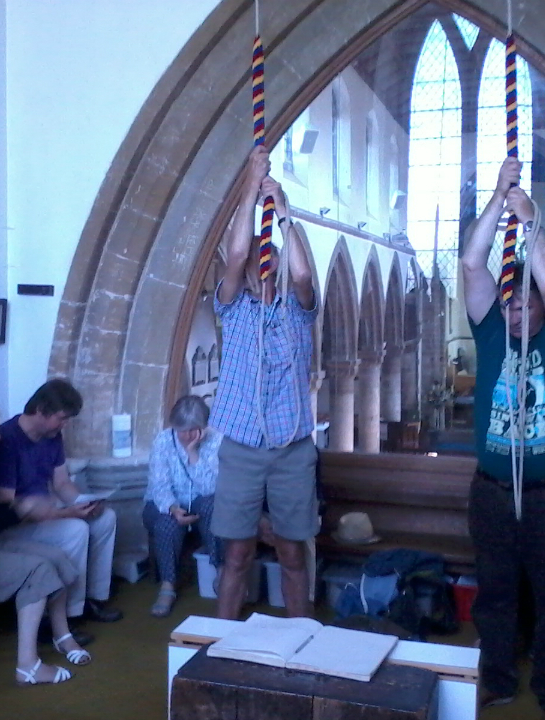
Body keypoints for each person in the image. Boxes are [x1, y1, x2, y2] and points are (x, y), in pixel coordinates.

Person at [460, 157, 545, 720]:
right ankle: (500, 680)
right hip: (491, 490)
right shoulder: (490, 334)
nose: (514, 310)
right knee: (496, 594)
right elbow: (470, 261)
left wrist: (530, 221)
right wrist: (497, 197)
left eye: (523, 301)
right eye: (510, 302)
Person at [210, 144, 319, 620]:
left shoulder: (297, 313)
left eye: (269, 254)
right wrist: (251, 186)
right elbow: (234, 253)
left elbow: (303, 274)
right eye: (260, 257)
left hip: (292, 449)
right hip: (242, 448)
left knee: (293, 554)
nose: (264, 262)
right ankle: (221, 640)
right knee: (237, 554)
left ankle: (301, 634)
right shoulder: (234, 308)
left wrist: (285, 213)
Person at [0, 403, 91, 685]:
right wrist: (21, 509)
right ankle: (27, 665)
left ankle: (62, 635)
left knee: (58, 558)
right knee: (39, 569)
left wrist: (23, 508)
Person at [0, 378, 122, 625]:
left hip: (47, 512)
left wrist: (84, 502)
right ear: (40, 411)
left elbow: (61, 483)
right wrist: (67, 513)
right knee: (75, 530)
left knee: (104, 518)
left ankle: (95, 597)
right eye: (61, 418)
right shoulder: (6, 439)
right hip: (17, 523)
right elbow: (6, 501)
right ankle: (71, 611)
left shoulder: (52, 435)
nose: (64, 425)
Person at [142, 395, 222, 617]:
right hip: (164, 503)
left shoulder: (216, 441)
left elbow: (210, 488)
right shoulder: (163, 440)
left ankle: (220, 571)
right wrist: (172, 507)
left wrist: (192, 452)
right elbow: (159, 485)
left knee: (213, 506)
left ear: (202, 427)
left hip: (198, 499)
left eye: (191, 430)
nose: (185, 435)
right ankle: (168, 585)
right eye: (181, 430)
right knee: (166, 522)